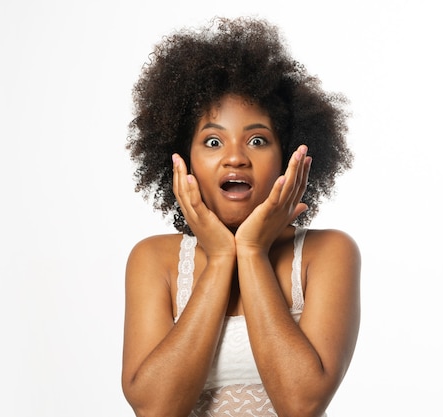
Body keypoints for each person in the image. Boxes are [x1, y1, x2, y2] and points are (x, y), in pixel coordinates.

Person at [121, 16, 361, 417]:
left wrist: (250, 251)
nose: (235, 157)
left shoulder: (328, 253)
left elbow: (301, 404)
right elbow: (154, 409)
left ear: (287, 156)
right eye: (213, 141)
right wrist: (219, 259)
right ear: (184, 161)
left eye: (257, 140)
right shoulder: (154, 261)